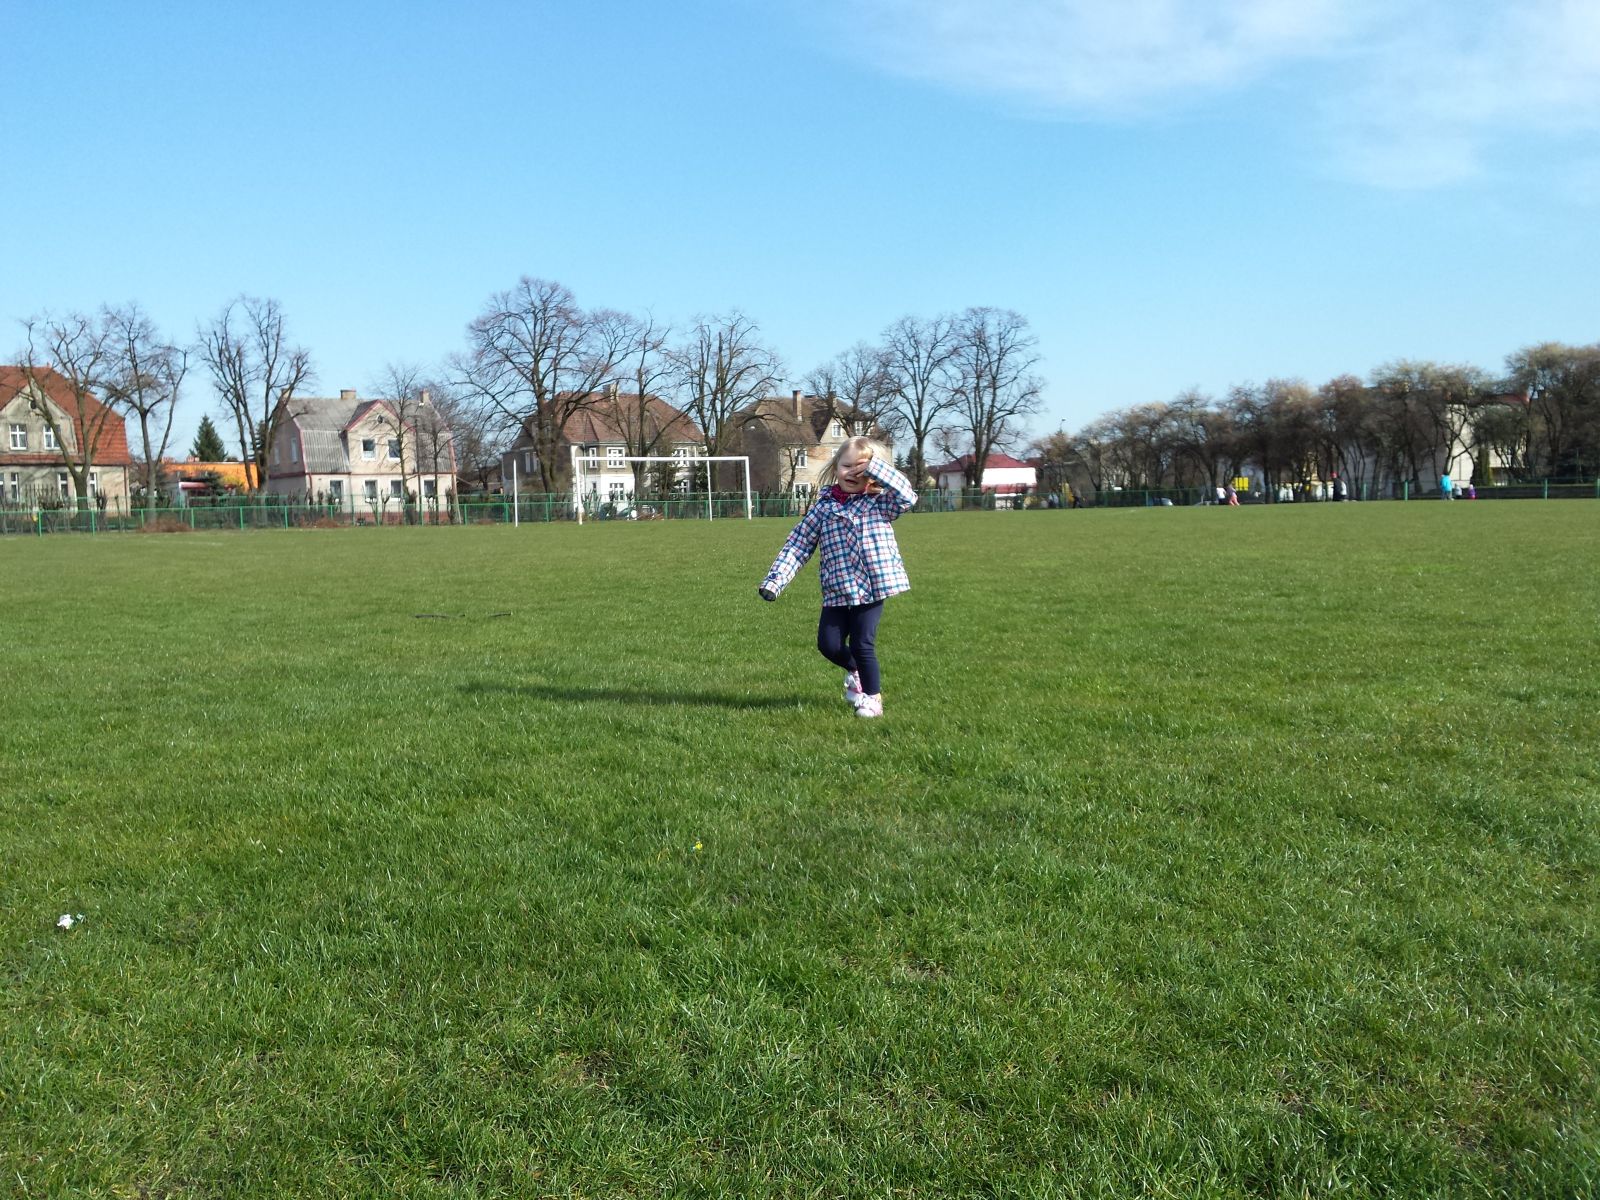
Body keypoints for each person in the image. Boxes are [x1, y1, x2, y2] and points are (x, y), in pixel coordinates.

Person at [757, 437, 917, 719]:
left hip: (871, 588)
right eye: (847, 466)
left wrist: (876, 468)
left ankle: (872, 698)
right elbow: (798, 545)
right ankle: (855, 671)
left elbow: (907, 495)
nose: (853, 473)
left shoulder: (879, 503)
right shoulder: (823, 509)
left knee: (862, 643)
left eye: (861, 468)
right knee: (828, 645)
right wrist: (775, 581)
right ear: (835, 467)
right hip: (837, 589)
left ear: (873, 472)